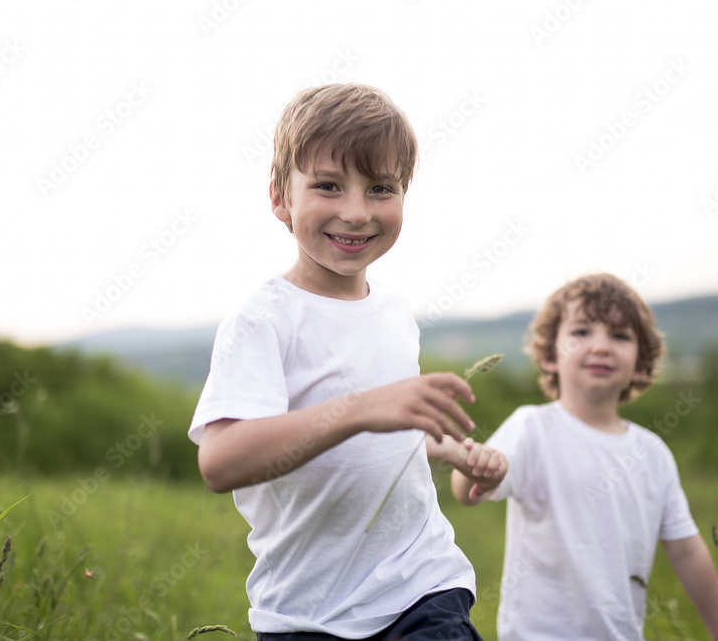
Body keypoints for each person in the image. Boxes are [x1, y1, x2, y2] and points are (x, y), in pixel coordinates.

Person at [190, 82, 507, 641]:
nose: (356, 212)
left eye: (381, 188)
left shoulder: (393, 310)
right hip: (309, 611)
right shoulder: (263, 321)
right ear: (279, 198)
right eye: (328, 186)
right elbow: (221, 461)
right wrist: (359, 409)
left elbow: (389, 432)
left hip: (422, 585)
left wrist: (457, 452)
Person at [452, 273, 718, 640]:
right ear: (551, 355)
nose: (601, 346)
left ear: (640, 362)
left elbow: (686, 551)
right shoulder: (532, 428)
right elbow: (467, 488)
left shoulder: (653, 454)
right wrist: (477, 470)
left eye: (619, 336)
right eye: (582, 332)